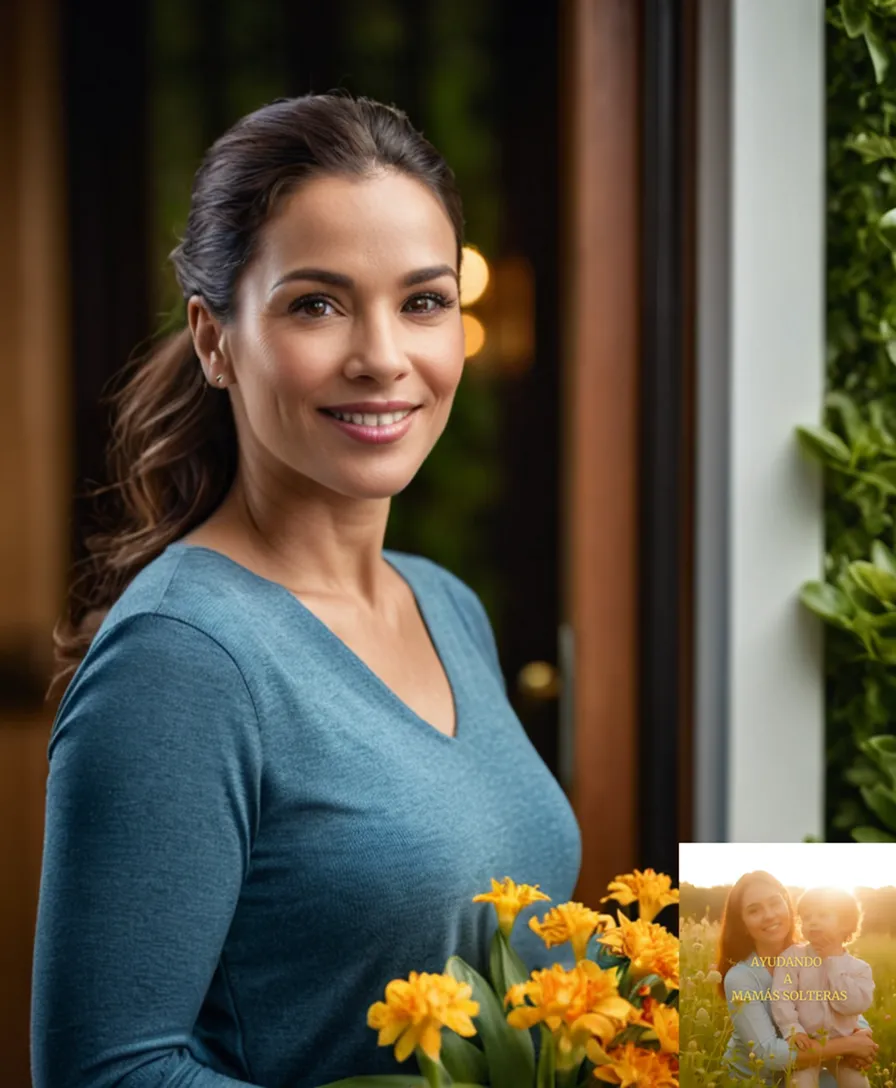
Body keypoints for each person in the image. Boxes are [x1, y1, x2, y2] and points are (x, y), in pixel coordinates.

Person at [30, 93, 583, 1088]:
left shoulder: (445, 604)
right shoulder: (181, 658)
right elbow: (108, 1071)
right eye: (316, 303)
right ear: (212, 339)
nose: (381, 356)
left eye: (422, 301)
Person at [716, 872, 878, 1086]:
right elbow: (768, 1053)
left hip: (811, 1065)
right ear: (743, 924)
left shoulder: (816, 953)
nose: (769, 915)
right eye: (754, 910)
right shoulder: (741, 977)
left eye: (775, 903)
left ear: (788, 906)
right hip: (757, 1079)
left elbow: (841, 1004)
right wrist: (849, 1045)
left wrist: (862, 1033)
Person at [770, 886, 874, 1088]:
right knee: (800, 1084)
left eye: (823, 915)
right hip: (807, 1044)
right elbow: (782, 997)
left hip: (844, 1048)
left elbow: (851, 1006)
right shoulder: (792, 958)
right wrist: (793, 1030)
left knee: (858, 1084)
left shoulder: (859, 969)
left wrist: (833, 962)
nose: (813, 922)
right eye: (807, 917)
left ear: (845, 923)